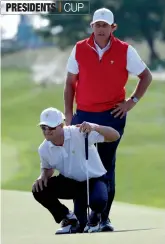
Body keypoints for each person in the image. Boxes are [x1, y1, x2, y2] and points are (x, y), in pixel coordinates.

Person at [64, 7, 152, 232]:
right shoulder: (79, 49)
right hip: (83, 114)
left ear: (113, 28)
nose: (101, 29)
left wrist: (131, 102)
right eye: (97, 25)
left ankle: (103, 218)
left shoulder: (125, 50)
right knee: (80, 167)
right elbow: (69, 84)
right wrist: (69, 115)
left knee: (105, 166)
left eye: (105, 25)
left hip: (112, 116)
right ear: (91, 26)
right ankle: (82, 220)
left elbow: (146, 76)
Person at [32, 107, 120, 234]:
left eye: (51, 127)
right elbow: (47, 168)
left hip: (94, 180)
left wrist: (95, 127)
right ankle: (68, 217)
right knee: (39, 189)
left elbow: (115, 136)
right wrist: (42, 176)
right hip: (72, 184)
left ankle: (95, 217)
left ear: (61, 126)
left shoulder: (79, 132)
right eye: (43, 127)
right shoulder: (44, 149)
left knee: (99, 201)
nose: (47, 131)